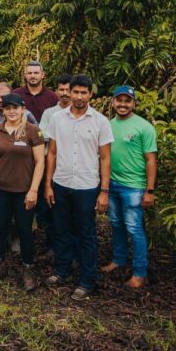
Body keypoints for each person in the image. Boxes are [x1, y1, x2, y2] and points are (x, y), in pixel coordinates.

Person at [44, 74, 113, 301]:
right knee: (61, 229)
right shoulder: (57, 118)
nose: (79, 96)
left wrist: (104, 191)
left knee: (86, 234)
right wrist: (48, 184)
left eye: (84, 92)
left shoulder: (100, 121)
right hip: (61, 183)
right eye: (76, 92)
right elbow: (51, 152)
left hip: (87, 186)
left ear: (91, 94)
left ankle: (87, 279)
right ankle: (62, 270)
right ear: (69, 93)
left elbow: (105, 158)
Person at [0, 94, 45, 292]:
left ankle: (28, 268)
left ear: (22, 109)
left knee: (24, 230)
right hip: (1, 189)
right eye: (7, 108)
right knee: (0, 229)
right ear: (2, 110)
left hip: (24, 191)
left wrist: (34, 190)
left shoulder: (32, 131)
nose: (11, 111)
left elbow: (40, 163)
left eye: (15, 107)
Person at [101, 86, 157, 289]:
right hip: (113, 184)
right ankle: (118, 260)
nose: (123, 104)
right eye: (119, 100)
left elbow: (151, 160)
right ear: (113, 102)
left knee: (134, 228)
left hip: (134, 187)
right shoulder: (107, 125)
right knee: (116, 223)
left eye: (127, 101)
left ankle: (140, 273)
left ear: (133, 103)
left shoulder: (144, 127)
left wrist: (149, 191)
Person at [37, 74, 72, 257]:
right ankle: (52, 246)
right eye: (61, 90)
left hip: (71, 169)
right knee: (49, 208)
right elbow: (44, 135)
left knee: (70, 212)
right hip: (51, 166)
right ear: (56, 91)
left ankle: (71, 249)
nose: (65, 93)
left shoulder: (81, 114)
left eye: (68, 90)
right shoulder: (50, 113)